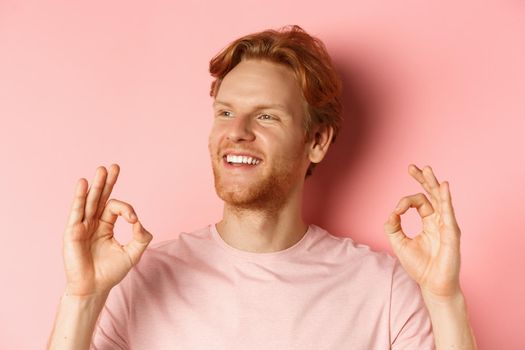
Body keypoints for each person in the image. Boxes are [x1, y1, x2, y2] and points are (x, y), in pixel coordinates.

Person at [47, 25, 477, 349]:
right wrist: (81, 298)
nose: (237, 132)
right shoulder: (138, 281)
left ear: (316, 141)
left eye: (267, 116)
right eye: (225, 112)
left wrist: (445, 299)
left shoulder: (381, 290)